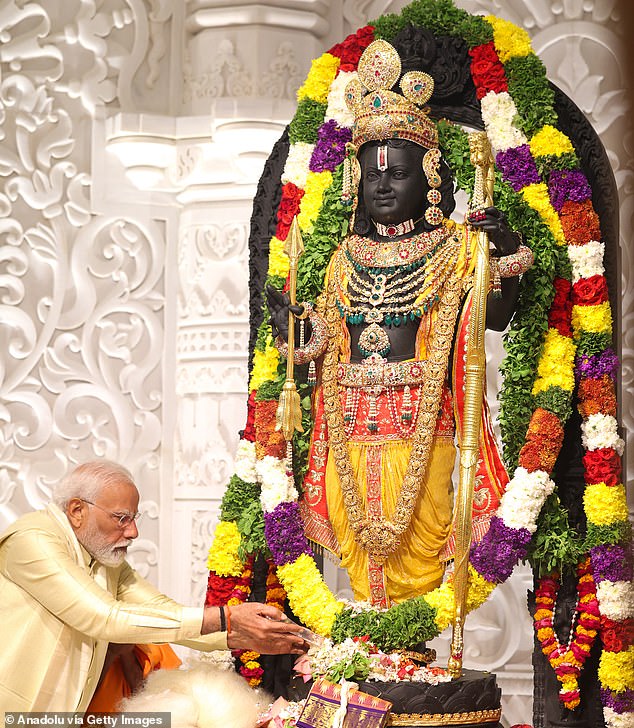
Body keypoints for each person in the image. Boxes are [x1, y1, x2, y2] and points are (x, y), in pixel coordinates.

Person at [267, 39, 533, 608]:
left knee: (426, 538)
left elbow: (501, 315)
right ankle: (378, 643)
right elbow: (319, 349)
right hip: (349, 427)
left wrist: (501, 249)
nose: (382, 185)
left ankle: (411, 644)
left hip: (427, 426)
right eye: (371, 176)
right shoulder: (342, 259)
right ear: (354, 182)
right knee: (359, 546)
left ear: (430, 177)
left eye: (400, 174)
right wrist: (289, 329)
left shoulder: (458, 249)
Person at [0, 460, 307, 712]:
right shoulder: (34, 540)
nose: (133, 531)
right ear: (77, 510)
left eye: (133, 518)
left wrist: (247, 636)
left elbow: (163, 611)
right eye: (121, 518)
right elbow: (104, 618)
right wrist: (227, 618)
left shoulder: (103, 559)